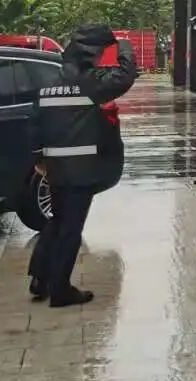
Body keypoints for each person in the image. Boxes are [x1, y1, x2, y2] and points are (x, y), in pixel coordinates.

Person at [29, 24, 138, 307]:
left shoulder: (48, 82)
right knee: (70, 230)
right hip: (81, 168)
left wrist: (38, 158)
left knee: (57, 221)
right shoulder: (91, 82)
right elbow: (126, 76)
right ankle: (60, 290)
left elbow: (35, 123)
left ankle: (40, 278)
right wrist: (123, 44)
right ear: (92, 52)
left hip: (55, 167)